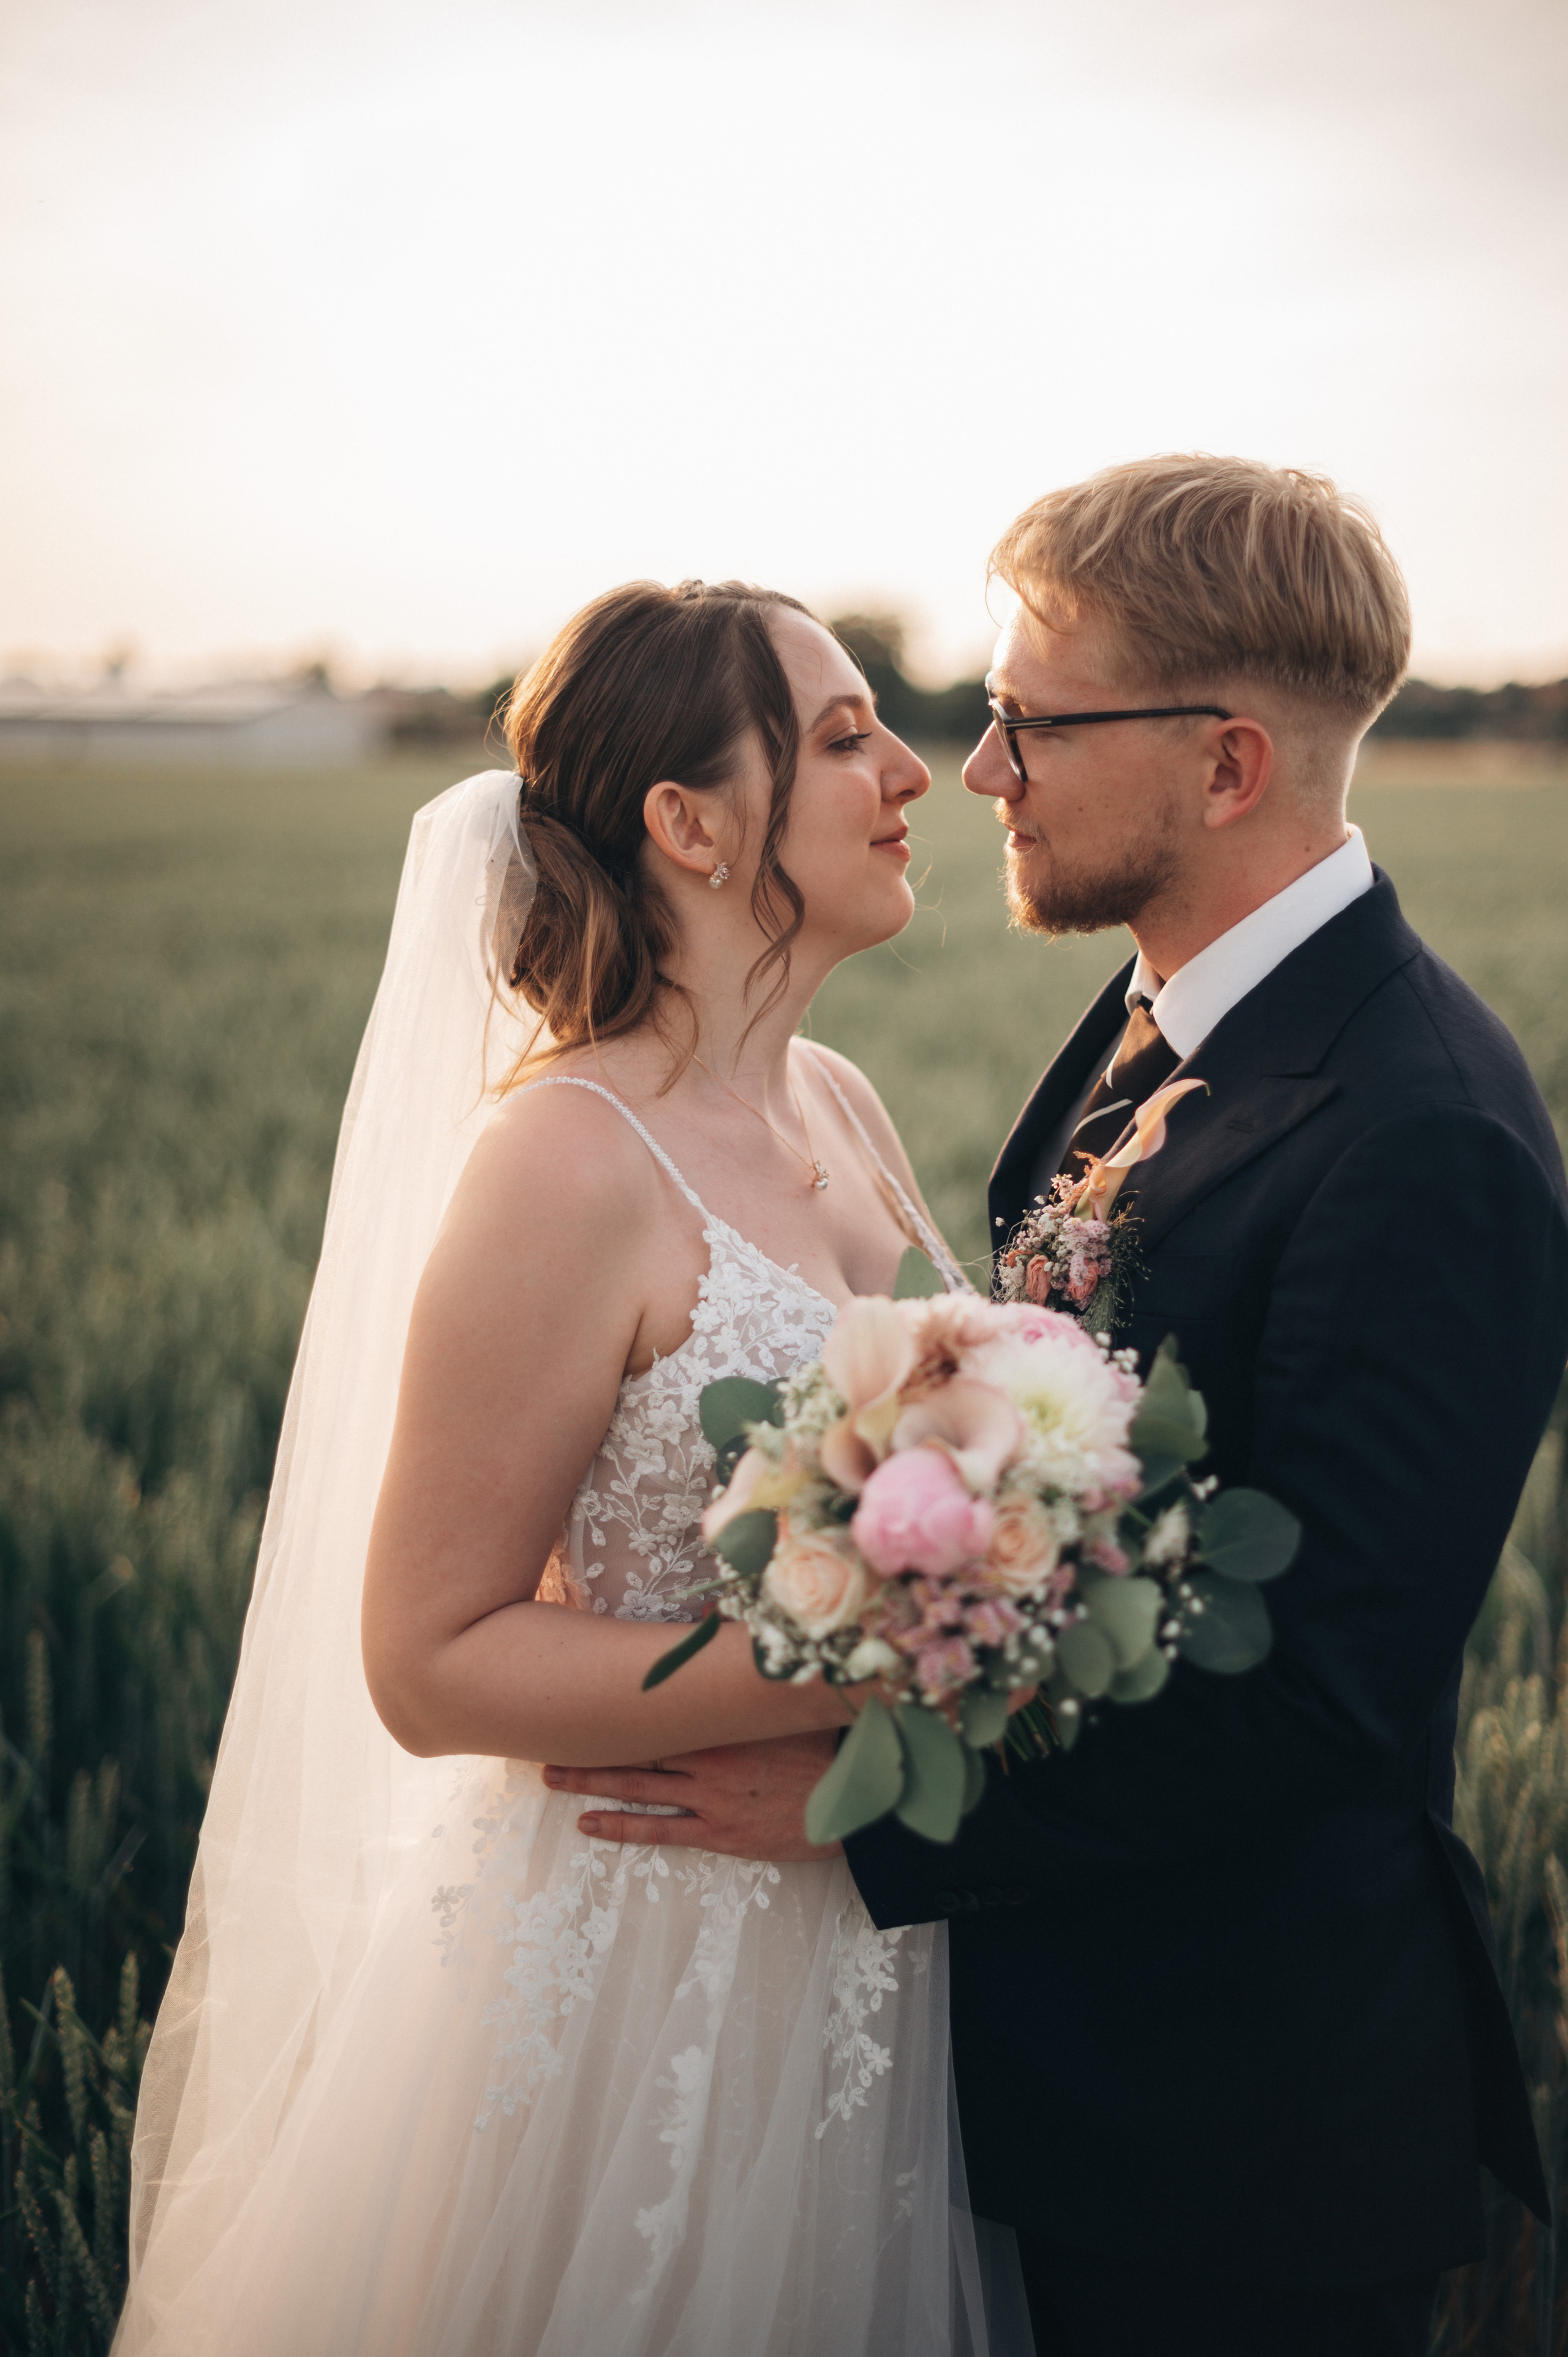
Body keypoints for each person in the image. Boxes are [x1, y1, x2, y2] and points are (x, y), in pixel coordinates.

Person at [559, 460, 1568, 2357]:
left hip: (1233, 2139)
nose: (982, 770)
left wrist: (865, 1826)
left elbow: (1323, 1698)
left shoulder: (1421, 1132)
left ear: (1228, 766)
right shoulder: (1151, 1012)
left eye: (1034, 723)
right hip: (1048, 2069)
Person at [115, 580, 1030, 2356]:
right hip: (645, 1961)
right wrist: (856, 1674)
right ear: (687, 825)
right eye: (842, 737)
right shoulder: (568, 1162)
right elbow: (430, 1655)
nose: (913, 771)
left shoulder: (838, 1102)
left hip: (870, 1946)